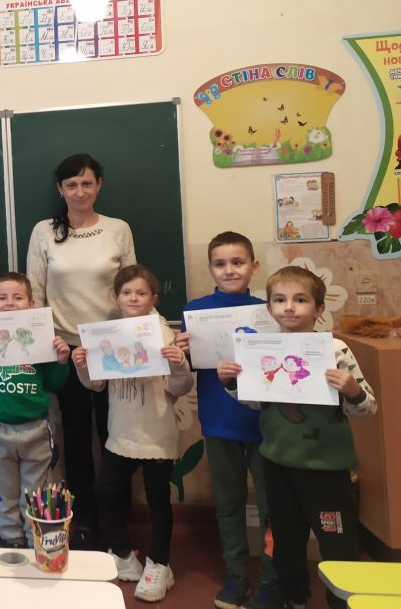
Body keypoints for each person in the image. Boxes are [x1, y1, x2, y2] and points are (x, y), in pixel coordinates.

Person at [219, 266, 377, 609]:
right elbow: (256, 402)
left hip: (326, 469)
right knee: (285, 540)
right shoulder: (262, 349)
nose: (289, 307)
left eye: (300, 300)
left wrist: (352, 390)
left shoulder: (336, 349)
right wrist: (231, 382)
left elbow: (368, 409)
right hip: (277, 464)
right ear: (270, 308)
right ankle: (293, 597)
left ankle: (343, 600)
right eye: (279, 300)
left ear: (319, 309)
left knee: (337, 543)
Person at [26, 153, 136, 548]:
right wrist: (44, 348)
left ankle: (117, 522)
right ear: (60, 189)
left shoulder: (118, 229)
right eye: (71, 185)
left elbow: (132, 287)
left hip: (112, 347)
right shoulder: (44, 232)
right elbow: (35, 292)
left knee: (115, 437)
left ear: (99, 185)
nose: (79, 191)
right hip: (65, 349)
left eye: (87, 183)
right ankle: (85, 520)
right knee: (75, 439)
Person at [72, 265, 192, 602]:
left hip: (157, 433)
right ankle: (122, 552)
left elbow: (180, 387)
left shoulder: (165, 334)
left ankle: (159, 563)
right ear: (116, 297)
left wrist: (178, 363)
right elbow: (96, 385)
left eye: (141, 293)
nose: (133, 298)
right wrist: (82, 365)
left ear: (154, 298)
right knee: (106, 490)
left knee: (158, 500)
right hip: (121, 432)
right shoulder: (107, 335)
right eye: (126, 293)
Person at [183, 232, 278, 609]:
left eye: (238, 262)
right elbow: (189, 367)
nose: (230, 270)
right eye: (220, 264)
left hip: (267, 425)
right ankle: (237, 576)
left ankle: (272, 579)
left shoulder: (270, 310)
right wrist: (181, 351)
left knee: (272, 505)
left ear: (254, 266)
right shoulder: (196, 311)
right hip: (220, 421)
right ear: (210, 269)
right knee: (228, 502)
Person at [0, 272, 70, 547]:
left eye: (18, 297)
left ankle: (35, 539)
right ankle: (11, 539)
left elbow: (54, 384)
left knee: (35, 490)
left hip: (35, 428)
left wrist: (61, 361)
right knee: (4, 489)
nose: (10, 303)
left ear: (31, 304)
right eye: (2, 298)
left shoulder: (42, 338)